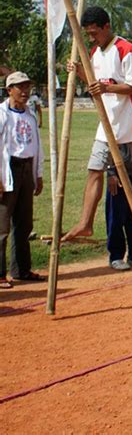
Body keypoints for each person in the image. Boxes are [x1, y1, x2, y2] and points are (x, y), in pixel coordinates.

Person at [62, 6, 132, 242]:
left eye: (95, 32)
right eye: (88, 33)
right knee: (94, 168)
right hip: (107, 122)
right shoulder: (96, 53)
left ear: (107, 26)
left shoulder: (127, 50)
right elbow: (95, 83)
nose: (91, 38)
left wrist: (107, 87)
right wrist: (79, 72)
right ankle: (86, 223)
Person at [0, 72, 45, 288]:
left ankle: (21, 269)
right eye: (20, 87)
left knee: (24, 223)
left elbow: (37, 146)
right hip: (8, 170)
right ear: (9, 90)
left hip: (27, 169)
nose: (25, 92)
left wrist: (38, 173)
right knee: (2, 226)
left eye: (27, 87)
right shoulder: (1, 114)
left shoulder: (30, 116)